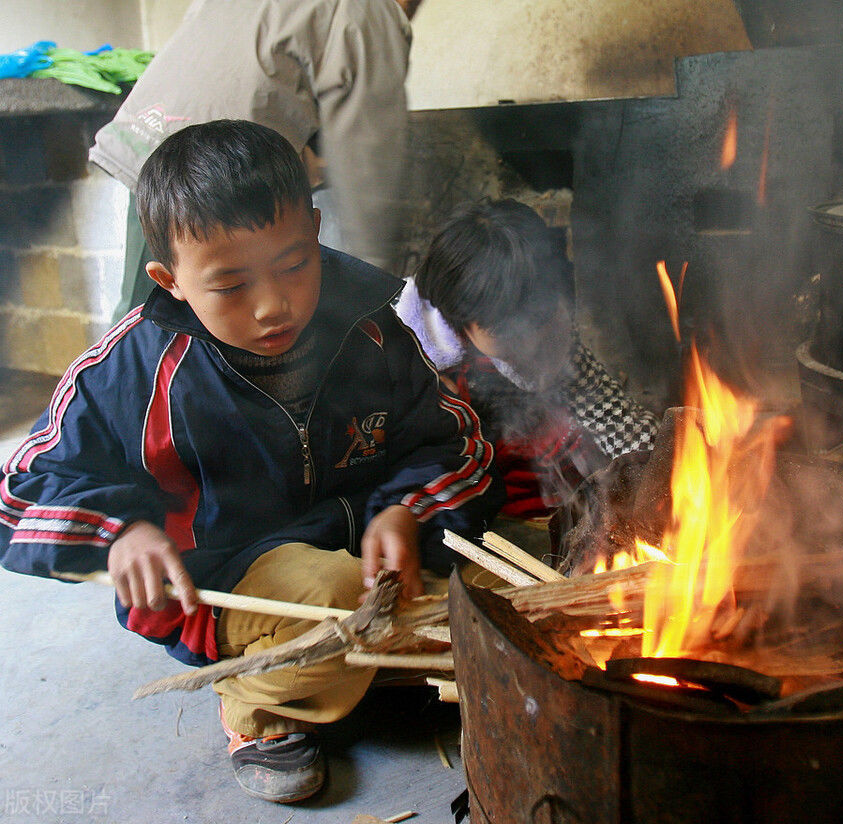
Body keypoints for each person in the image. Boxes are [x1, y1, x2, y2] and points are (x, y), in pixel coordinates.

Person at [0, 120, 503, 804]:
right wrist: (121, 530)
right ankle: (256, 706)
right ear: (168, 279)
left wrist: (403, 511)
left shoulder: (372, 332)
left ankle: (345, 669)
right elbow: (22, 488)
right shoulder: (127, 369)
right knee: (335, 599)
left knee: (505, 594)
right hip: (223, 579)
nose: (273, 306)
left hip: (363, 557)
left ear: (316, 228)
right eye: (231, 285)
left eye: (295, 265)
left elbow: (453, 439)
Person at [89, 0, 421, 322]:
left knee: (141, 318)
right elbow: (369, 159)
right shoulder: (371, 10)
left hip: (147, 134)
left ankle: (117, 374)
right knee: (170, 324)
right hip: (209, 171)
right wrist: (375, 287)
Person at [395, 198, 659, 520]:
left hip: (549, 498)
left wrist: (662, 459)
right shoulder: (416, 359)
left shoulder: (553, 332)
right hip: (460, 507)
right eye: (511, 330)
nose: (532, 340)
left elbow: (611, 415)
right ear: (460, 317)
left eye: (538, 318)